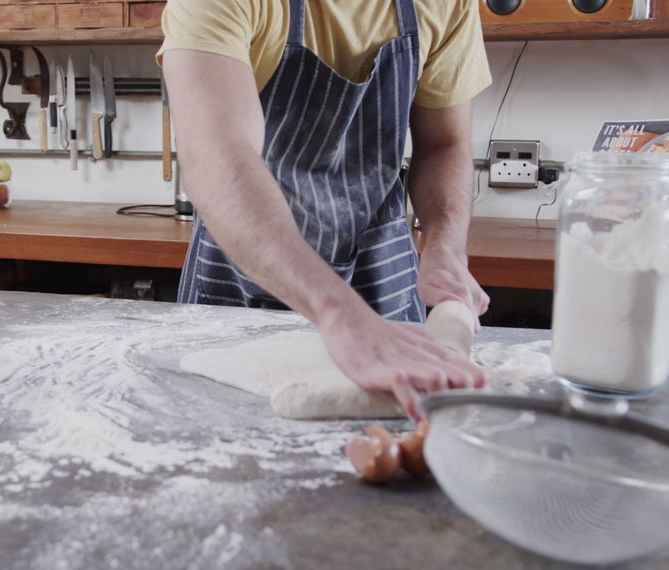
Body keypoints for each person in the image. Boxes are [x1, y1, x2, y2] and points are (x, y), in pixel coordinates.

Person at [159, 0, 492, 418]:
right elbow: (218, 158)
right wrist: (338, 312)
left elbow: (446, 144)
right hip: (241, 281)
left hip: (382, 275)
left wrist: (445, 248)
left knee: (404, 446)